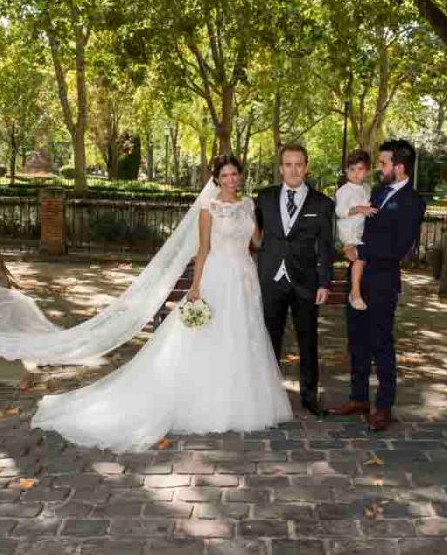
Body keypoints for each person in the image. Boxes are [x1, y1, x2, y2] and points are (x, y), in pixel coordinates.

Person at [29, 155, 292, 452]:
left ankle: (242, 401)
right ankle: (210, 403)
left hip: (245, 277)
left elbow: (257, 242)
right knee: (213, 337)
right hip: (219, 276)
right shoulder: (209, 207)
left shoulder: (248, 205)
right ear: (217, 179)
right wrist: (196, 287)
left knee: (244, 336)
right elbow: (203, 249)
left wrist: (277, 225)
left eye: (235, 174)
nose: (231, 180)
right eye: (225, 175)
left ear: (240, 176)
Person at [331, 140, 425, 431]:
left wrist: (359, 250)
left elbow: (399, 247)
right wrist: (348, 248)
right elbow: (355, 225)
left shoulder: (413, 202)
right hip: (358, 276)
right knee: (356, 340)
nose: (379, 169)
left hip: (383, 282)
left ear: (400, 167)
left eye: (383, 164)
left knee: (381, 343)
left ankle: (384, 406)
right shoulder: (378, 192)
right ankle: (358, 398)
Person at [254, 144, 335, 417]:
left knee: (308, 340)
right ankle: (267, 396)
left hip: (305, 282)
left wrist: (324, 283)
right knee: (268, 340)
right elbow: (251, 235)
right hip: (270, 278)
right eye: (288, 164)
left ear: (306, 167)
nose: (294, 170)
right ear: (280, 168)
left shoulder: (322, 203)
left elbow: (326, 247)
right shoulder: (264, 198)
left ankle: (310, 397)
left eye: (299, 164)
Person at [335, 149, 376, 310]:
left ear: (367, 171)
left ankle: (356, 292)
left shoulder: (366, 188)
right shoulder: (344, 190)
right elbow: (340, 211)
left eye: (360, 169)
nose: (356, 173)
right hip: (350, 231)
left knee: (362, 259)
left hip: (361, 230)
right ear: (346, 170)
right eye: (352, 169)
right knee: (359, 259)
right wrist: (359, 208)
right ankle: (355, 293)